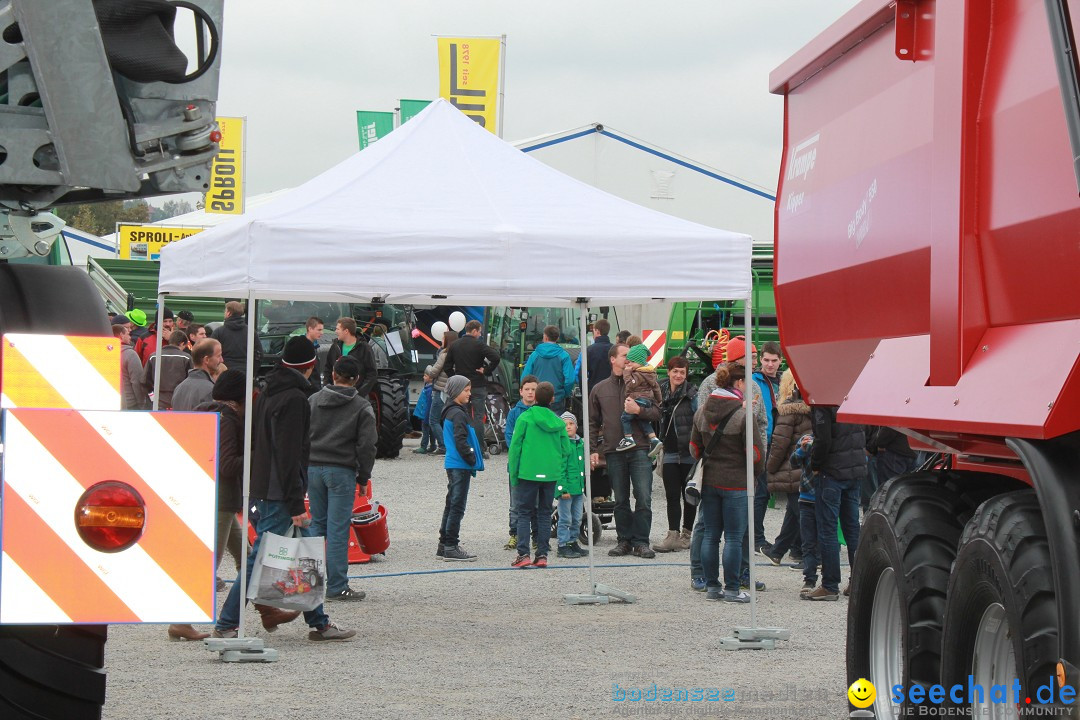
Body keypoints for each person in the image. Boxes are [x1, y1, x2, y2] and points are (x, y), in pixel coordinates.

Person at [213, 336, 356, 641]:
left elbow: (263, 445)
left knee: (304, 554)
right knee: (261, 557)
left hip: (265, 485)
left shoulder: (266, 393)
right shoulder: (294, 400)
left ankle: (318, 622)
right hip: (280, 491)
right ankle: (227, 623)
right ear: (310, 365)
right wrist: (294, 503)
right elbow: (289, 453)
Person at [690, 362, 765, 603]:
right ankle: (732, 588)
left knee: (711, 535)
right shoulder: (744, 416)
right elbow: (755, 455)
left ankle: (713, 587)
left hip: (710, 480)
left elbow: (694, 449)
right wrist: (756, 474)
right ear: (739, 384)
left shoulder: (701, 412)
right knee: (733, 537)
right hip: (737, 483)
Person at [308, 356, 377, 602]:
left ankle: (309, 583)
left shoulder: (313, 401)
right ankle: (337, 586)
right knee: (338, 530)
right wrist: (363, 476)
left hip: (313, 468)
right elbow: (367, 445)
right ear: (356, 379)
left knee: (317, 525)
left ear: (333, 374)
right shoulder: (360, 406)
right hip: (342, 470)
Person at [588, 343, 661, 558]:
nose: (628, 359)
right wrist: (593, 449)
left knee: (643, 497)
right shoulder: (600, 389)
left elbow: (658, 412)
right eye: (624, 356)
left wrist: (639, 410)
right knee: (620, 499)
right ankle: (624, 540)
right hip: (613, 450)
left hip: (640, 448)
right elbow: (592, 422)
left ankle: (641, 541)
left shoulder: (644, 382)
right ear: (613, 359)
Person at [507, 382, 571, 568]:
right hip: (550, 473)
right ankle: (542, 555)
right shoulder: (559, 422)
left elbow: (515, 448)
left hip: (528, 473)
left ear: (535, 396)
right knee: (544, 513)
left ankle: (523, 554)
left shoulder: (525, 418)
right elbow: (566, 449)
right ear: (553, 399)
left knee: (524, 513)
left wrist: (515, 473)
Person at [807, 404, 866, 601]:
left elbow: (823, 440)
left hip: (832, 471)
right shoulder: (851, 395)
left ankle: (830, 585)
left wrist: (815, 464)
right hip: (854, 469)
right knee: (852, 529)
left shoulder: (822, 402)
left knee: (828, 530)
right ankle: (858, 582)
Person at [195, 370, 246, 594]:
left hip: (210, 493)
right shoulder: (228, 419)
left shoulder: (204, 412)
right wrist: (256, 455)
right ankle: (181, 622)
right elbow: (227, 465)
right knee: (208, 565)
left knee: (247, 558)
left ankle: (266, 611)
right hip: (222, 498)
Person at [764, 369, 810, 566]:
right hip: (805, 466)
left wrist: (769, 467)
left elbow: (779, 443)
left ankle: (812, 555)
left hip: (790, 467)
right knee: (794, 511)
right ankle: (778, 550)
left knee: (802, 514)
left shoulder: (788, 410)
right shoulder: (812, 409)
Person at [652, 356, 697, 553]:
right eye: (675, 371)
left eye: (682, 372)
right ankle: (672, 534)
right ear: (668, 372)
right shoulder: (660, 392)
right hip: (669, 451)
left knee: (689, 496)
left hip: (688, 452)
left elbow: (699, 420)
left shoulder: (692, 394)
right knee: (671, 495)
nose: (678, 375)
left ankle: (686, 536)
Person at [437, 375, 484, 562]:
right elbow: (460, 439)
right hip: (459, 464)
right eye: (466, 390)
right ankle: (451, 546)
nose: (469, 393)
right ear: (456, 391)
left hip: (453, 463)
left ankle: (443, 544)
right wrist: (471, 458)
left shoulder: (450, 410)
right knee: (457, 506)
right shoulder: (457, 413)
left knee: (451, 504)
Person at [441, 320, 501, 458]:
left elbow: (447, 366)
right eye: (479, 332)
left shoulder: (455, 345)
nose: (480, 335)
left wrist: (455, 378)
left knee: (462, 416)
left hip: (461, 387)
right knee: (479, 417)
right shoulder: (479, 345)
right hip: (477, 385)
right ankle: (480, 449)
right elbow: (496, 357)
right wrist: (485, 370)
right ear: (474, 331)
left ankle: (464, 447)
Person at [502, 375, 538, 551]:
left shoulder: (541, 412)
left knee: (536, 503)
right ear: (521, 391)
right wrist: (521, 454)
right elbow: (509, 436)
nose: (530, 392)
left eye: (533, 389)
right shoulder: (514, 413)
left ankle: (536, 537)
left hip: (536, 465)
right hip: (517, 464)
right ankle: (514, 535)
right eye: (527, 389)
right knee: (515, 502)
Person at [615, 344, 663, 456]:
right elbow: (656, 388)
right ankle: (654, 439)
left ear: (639, 362)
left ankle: (628, 438)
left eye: (631, 361)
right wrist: (659, 400)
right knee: (642, 420)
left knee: (625, 418)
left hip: (638, 399)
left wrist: (627, 373)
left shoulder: (639, 374)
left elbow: (631, 385)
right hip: (648, 401)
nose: (629, 364)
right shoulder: (650, 373)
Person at [790, 433, 820, 598]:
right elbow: (793, 462)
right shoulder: (806, 439)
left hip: (824, 497)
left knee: (825, 541)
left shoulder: (832, 441)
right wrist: (802, 450)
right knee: (808, 542)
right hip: (807, 497)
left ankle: (828, 581)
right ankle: (809, 579)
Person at [520, 325, 575, 415]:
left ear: (545, 337)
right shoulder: (564, 356)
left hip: (536, 398)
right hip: (556, 398)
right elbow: (570, 380)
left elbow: (525, 378)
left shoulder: (534, 355)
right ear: (557, 338)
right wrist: (564, 393)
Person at [556, 410, 587, 559]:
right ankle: (562, 544)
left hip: (578, 489)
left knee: (577, 518)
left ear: (576, 426)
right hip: (567, 490)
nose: (568, 427)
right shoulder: (562, 444)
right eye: (564, 424)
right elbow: (560, 468)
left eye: (571, 424)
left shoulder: (580, 443)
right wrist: (562, 489)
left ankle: (573, 541)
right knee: (565, 518)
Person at [324, 316, 377, 399]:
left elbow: (372, 374)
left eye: (338, 329)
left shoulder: (365, 348)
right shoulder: (335, 346)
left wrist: (359, 394)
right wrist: (327, 388)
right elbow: (327, 368)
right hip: (335, 396)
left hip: (357, 397)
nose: (335, 331)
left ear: (346, 331)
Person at [141, 330, 192, 410]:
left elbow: (145, 381)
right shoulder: (186, 358)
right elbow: (190, 381)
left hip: (157, 403)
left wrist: (152, 398)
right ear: (182, 343)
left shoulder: (153, 356)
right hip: (179, 403)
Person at [425, 331, 457, 456]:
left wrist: (428, 367)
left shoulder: (444, 354)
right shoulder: (458, 354)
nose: (441, 341)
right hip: (452, 390)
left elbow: (433, 372)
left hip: (441, 389)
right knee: (448, 420)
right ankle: (450, 445)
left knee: (433, 420)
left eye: (443, 338)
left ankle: (443, 446)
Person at [171, 338, 223, 411]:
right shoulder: (210, 390)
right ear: (206, 360)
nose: (221, 360)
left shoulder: (179, 388)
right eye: (218, 356)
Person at [213, 301, 261, 376]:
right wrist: (252, 372)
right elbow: (259, 354)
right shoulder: (251, 332)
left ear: (229, 313)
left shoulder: (218, 332)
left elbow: (211, 353)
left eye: (225, 311)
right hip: (245, 374)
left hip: (224, 374)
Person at [115, 324, 149, 410]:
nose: (130, 337)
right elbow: (137, 381)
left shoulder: (104, 354)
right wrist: (142, 403)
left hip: (113, 402)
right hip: (130, 404)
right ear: (121, 335)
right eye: (128, 334)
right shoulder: (130, 354)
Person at [583, 318, 613, 394]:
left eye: (593, 331)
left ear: (597, 331)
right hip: (612, 390)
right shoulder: (614, 349)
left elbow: (581, 374)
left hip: (594, 390)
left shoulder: (589, 350)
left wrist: (585, 392)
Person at [412, 368, 435, 454]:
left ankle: (423, 446)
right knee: (432, 431)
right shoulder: (428, 388)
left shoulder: (429, 390)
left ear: (431, 378)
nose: (423, 377)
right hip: (426, 414)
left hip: (426, 414)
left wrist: (426, 416)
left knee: (425, 431)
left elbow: (428, 404)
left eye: (425, 375)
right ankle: (433, 445)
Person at [302, 316, 325, 392]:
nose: (322, 333)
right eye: (319, 330)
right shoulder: (301, 347)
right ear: (310, 329)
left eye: (322, 330)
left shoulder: (314, 345)